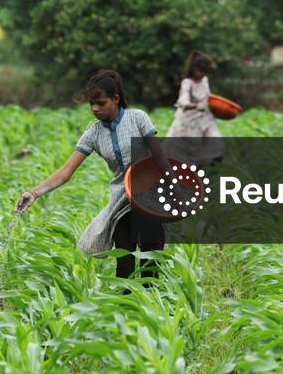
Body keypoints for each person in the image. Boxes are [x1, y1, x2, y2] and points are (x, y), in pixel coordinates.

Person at [15, 69, 172, 281]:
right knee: (124, 262)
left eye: (100, 103)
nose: (95, 109)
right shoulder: (94, 133)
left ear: (116, 99)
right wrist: (34, 193)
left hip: (149, 195)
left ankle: (149, 306)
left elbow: (160, 157)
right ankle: (125, 307)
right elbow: (66, 171)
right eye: (91, 104)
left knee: (149, 262)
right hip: (121, 200)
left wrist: (174, 187)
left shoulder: (138, 118)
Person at [164, 50, 224, 166]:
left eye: (205, 72)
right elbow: (183, 99)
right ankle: (193, 175)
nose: (202, 74)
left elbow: (208, 97)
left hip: (205, 119)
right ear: (194, 68)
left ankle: (211, 171)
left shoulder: (205, 80)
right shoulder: (187, 82)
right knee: (190, 153)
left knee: (217, 142)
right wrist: (194, 106)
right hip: (188, 123)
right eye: (200, 71)